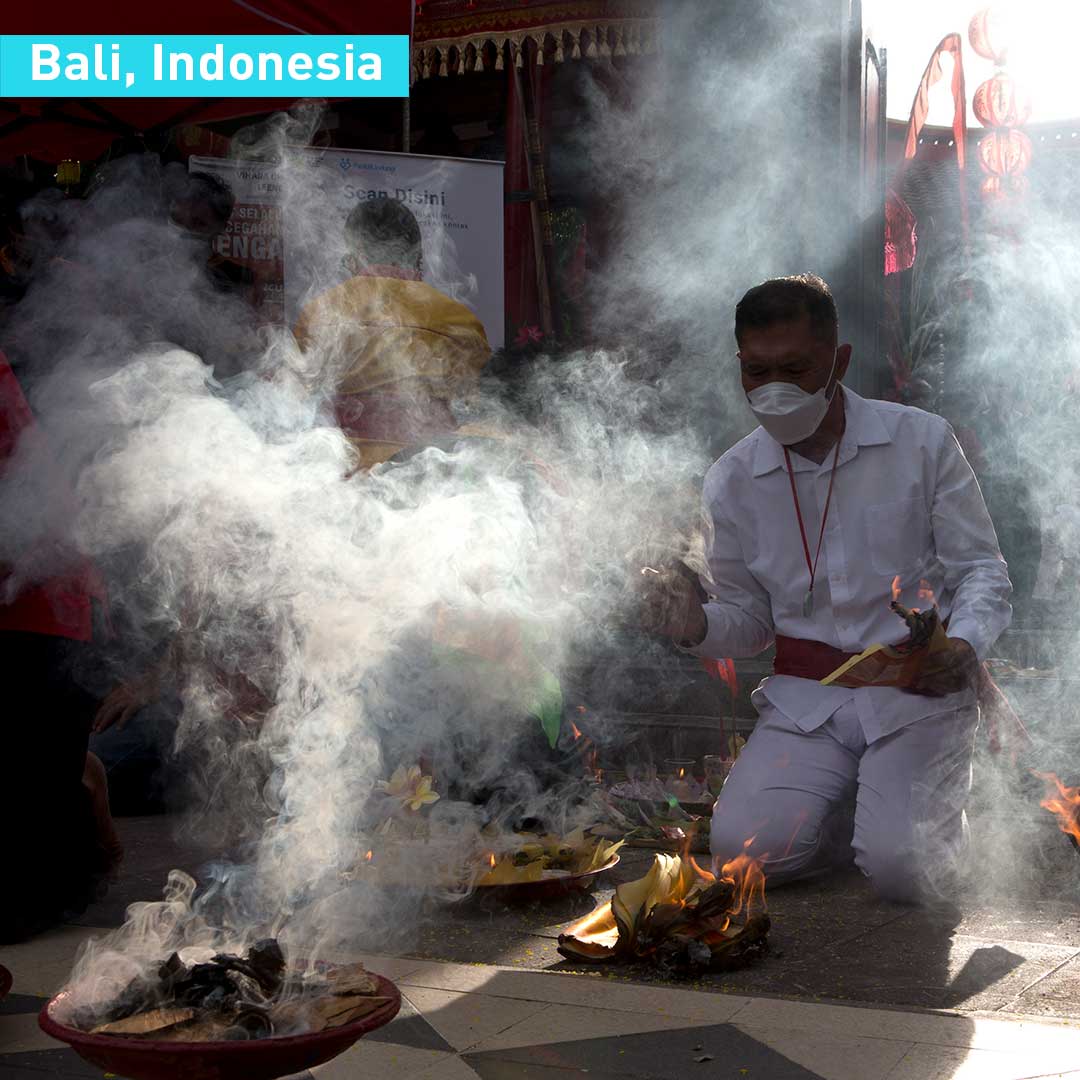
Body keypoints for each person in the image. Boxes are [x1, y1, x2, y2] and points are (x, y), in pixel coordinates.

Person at [652, 274, 1012, 903]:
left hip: (916, 688)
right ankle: (851, 812)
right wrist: (695, 624)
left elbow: (982, 571)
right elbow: (751, 621)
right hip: (807, 700)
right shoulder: (732, 479)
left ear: (838, 361)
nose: (773, 390)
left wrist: (966, 645)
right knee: (738, 857)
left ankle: (902, 817)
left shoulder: (920, 441)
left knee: (904, 874)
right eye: (756, 372)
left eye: (793, 368)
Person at [292, 198, 491, 470]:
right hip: (432, 472)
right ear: (417, 253)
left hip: (344, 473)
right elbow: (472, 403)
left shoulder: (319, 313)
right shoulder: (461, 320)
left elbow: (298, 399)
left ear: (354, 250)